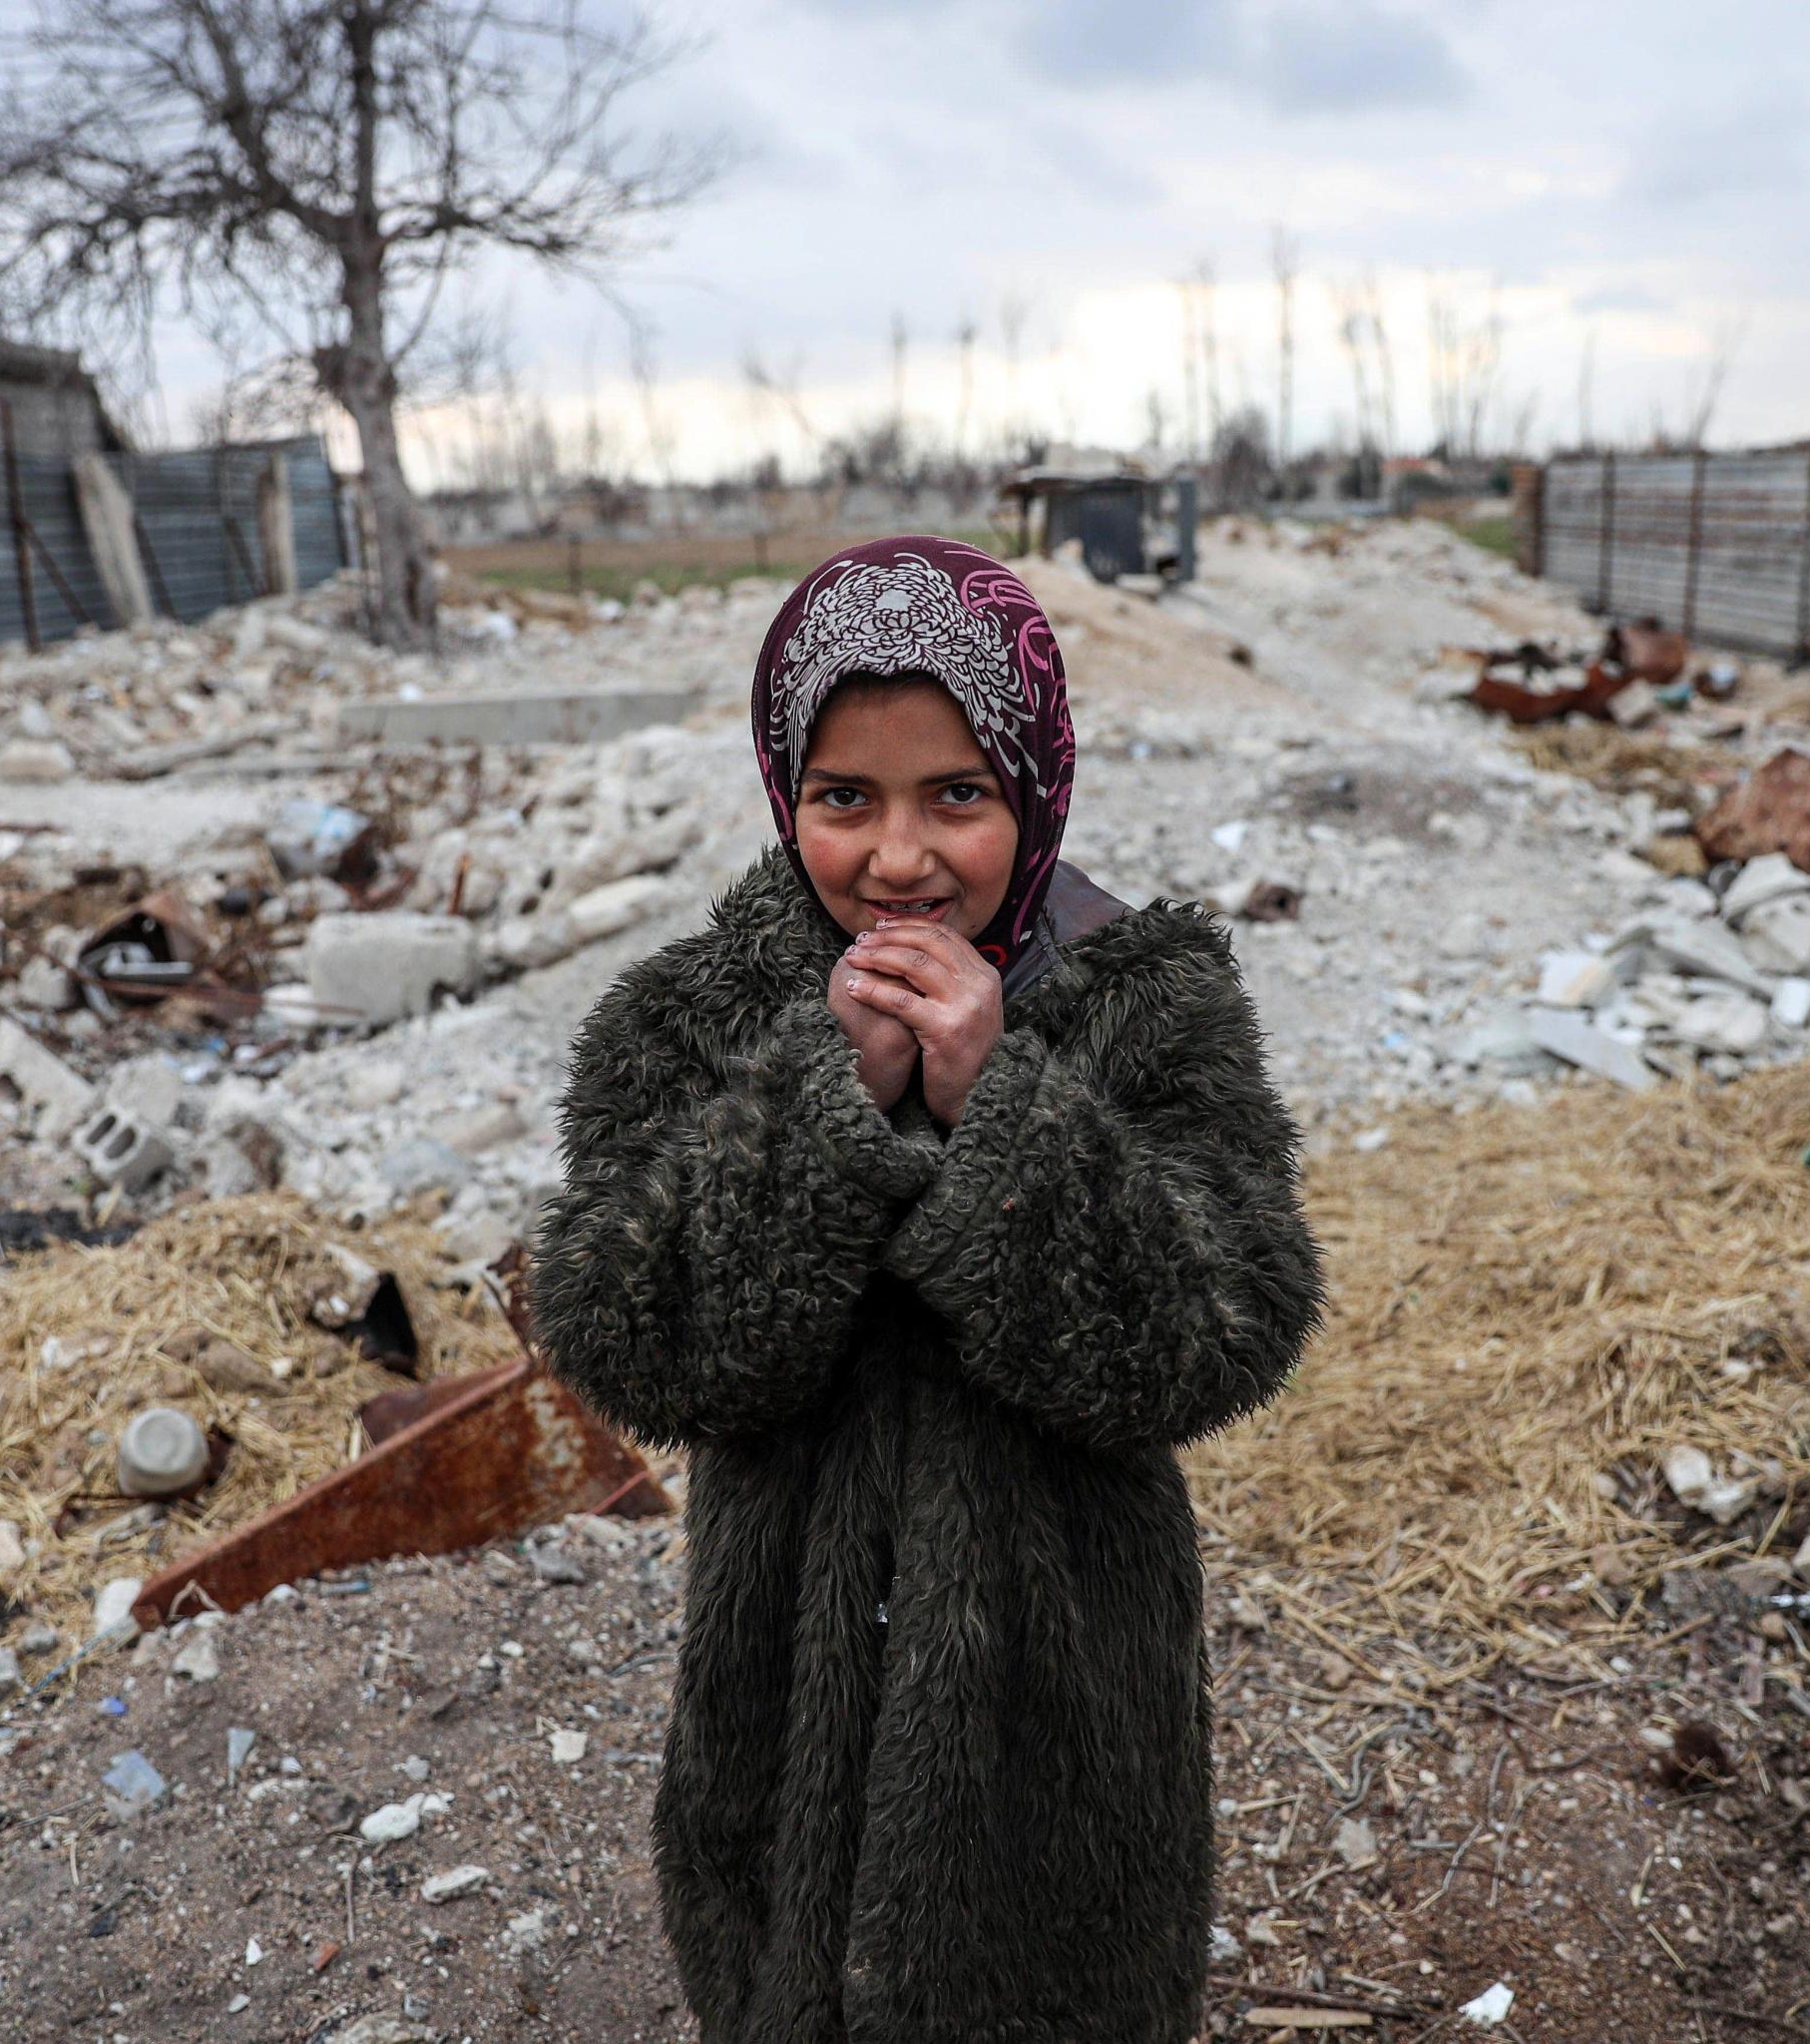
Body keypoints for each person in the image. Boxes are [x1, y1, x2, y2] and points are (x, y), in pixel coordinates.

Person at [530, 534, 1322, 2044]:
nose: (901, 859)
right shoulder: (691, 1015)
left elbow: (1230, 1329)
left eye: (958, 793)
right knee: (779, 1968)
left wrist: (1003, 1109)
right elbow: (619, 1332)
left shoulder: (1142, 1001)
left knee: (1055, 1982)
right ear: (785, 794)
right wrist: (823, 1107)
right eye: (846, 799)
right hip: (784, 1678)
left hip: (1061, 1682)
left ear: (1034, 780)